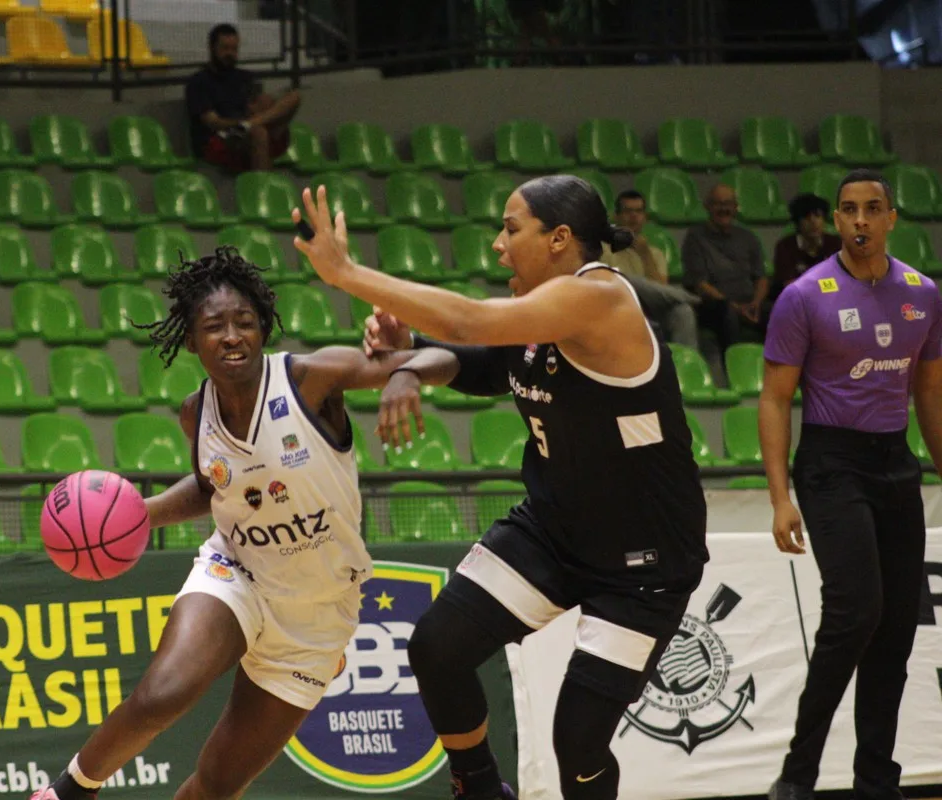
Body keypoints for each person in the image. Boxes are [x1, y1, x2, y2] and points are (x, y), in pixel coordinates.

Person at [294, 176, 709, 800]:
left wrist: (348, 273)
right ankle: (481, 789)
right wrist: (408, 364)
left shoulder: (601, 300)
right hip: (555, 531)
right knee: (437, 647)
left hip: (642, 562)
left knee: (578, 741)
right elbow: (476, 359)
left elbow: (472, 320)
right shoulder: (542, 314)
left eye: (511, 229)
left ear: (560, 238)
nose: (497, 245)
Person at [27, 247, 437, 800]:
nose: (231, 336)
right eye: (214, 326)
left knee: (218, 784)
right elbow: (213, 482)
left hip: (318, 612)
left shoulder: (312, 378)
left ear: (263, 328)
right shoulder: (196, 413)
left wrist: (404, 363)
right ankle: (68, 791)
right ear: (193, 341)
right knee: (163, 693)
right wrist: (138, 516)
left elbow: (426, 364)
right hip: (237, 569)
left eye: (244, 322)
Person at [760, 169, 942, 800]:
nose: (859, 220)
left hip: (895, 462)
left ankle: (875, 782)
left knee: (894, 628)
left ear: (892, 217)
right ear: (835, 220)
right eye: (847, 210)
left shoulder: (924, 293)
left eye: (872, 209)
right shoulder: (804, 295)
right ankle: (798, 775)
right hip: (831, 464)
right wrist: (781, 496)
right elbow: (775, 399)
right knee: (855, 612)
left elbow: (928, 390)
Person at [184, 23, 301, 173]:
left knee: (294, 96)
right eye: (225, 48)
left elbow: (257, 107)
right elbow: (213, 122)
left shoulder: (245, 77)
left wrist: (254, 117)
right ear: (212, 48)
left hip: (249, 127)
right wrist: (241, 124)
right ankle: (262, 193)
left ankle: (250, 125)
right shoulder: (199, 82)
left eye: (234, 49)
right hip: (219, 138)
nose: (230, 54)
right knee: (259, 133)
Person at [601, 189, 700, 349]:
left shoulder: (655, 253)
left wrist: (645, 255)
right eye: (628, 211)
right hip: (615, 305)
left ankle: (686, 369)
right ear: (616, 217)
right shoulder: (602, 248)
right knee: (627, 281)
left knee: (683, 311)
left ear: (644, 218)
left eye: (638, 211)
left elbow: (661, 293)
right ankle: (689, 297)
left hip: (648, 312)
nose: (634, 216)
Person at [681, 183, 769, 358]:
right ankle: (736, 371)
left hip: (749, 302)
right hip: (714, 305)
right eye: (718, 204)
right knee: (727, 315)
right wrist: (734, 307)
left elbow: (761, 278)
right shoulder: (695, 237)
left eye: (728, 204)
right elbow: (700, 285)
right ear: (707, 207)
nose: (724, 209)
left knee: (783, 310)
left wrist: (756, 303)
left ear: (736, 208)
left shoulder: (747, 237)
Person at [771, 192, 843, 301]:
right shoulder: (785, 246)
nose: (813, 222)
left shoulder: (835, 243)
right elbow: (789, 285)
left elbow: (842, 281)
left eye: (817, 216)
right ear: (797, 222)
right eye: (806, 217)